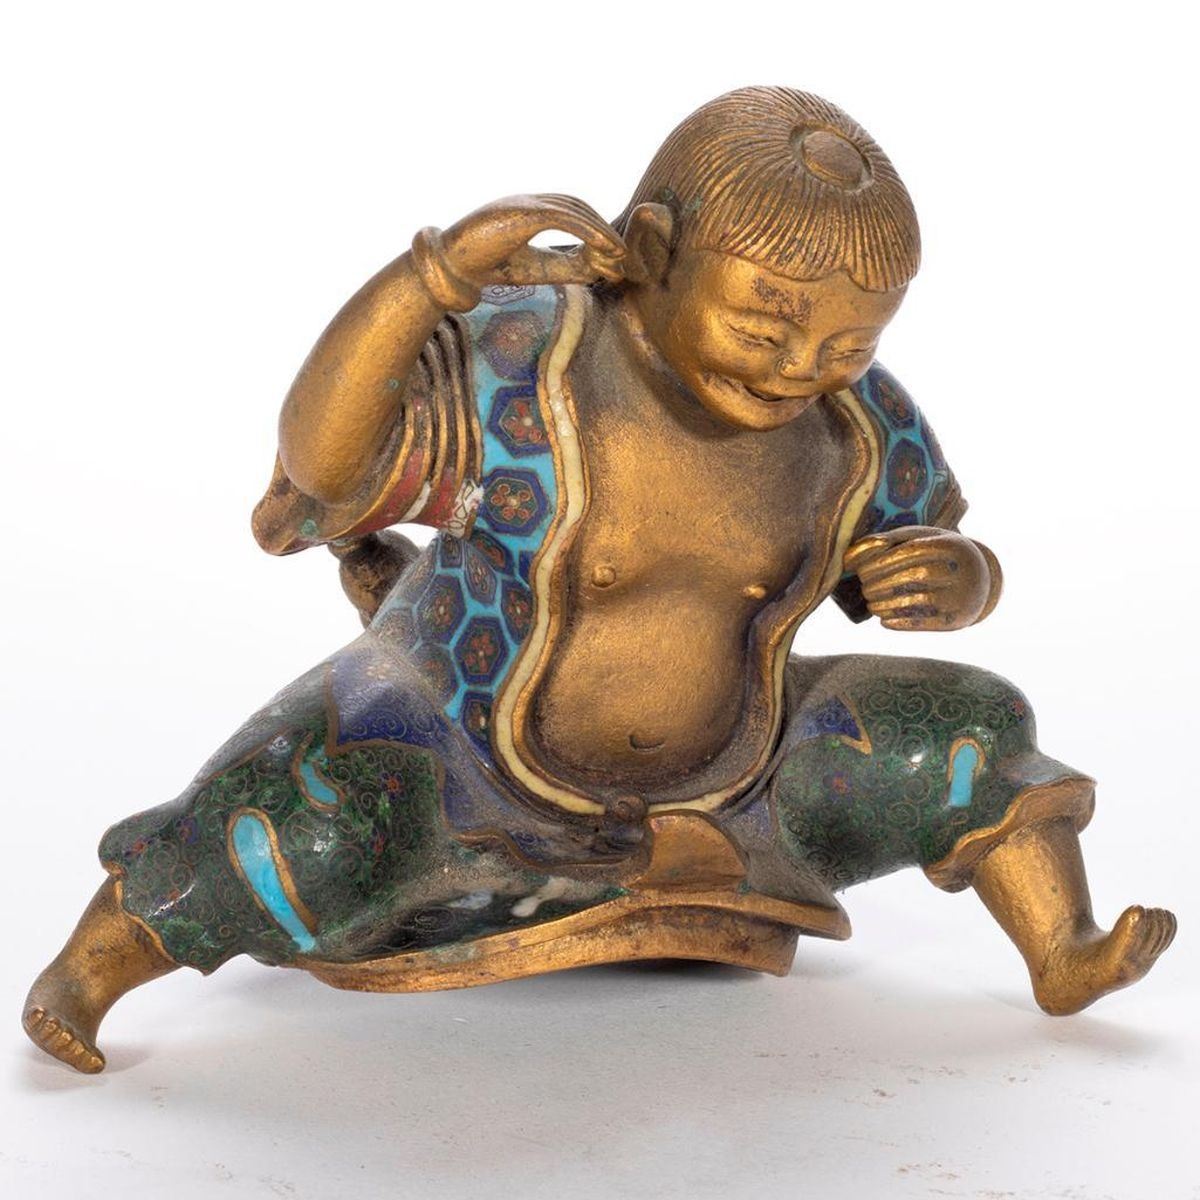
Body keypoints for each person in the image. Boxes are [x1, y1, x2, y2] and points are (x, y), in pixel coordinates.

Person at [24, 87, 1175, 1075]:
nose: (798, 368)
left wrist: (960, 578)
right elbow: (325, 467)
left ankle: (1060, 946)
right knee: (292, 810)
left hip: (738, 779)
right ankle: (88, 970)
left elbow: (930, 545)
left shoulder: (854, 425)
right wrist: (430, 281)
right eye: (763, 325)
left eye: (846, 344)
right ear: (654, 251)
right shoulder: (521, 366)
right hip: (457, 742)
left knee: (971, 724)